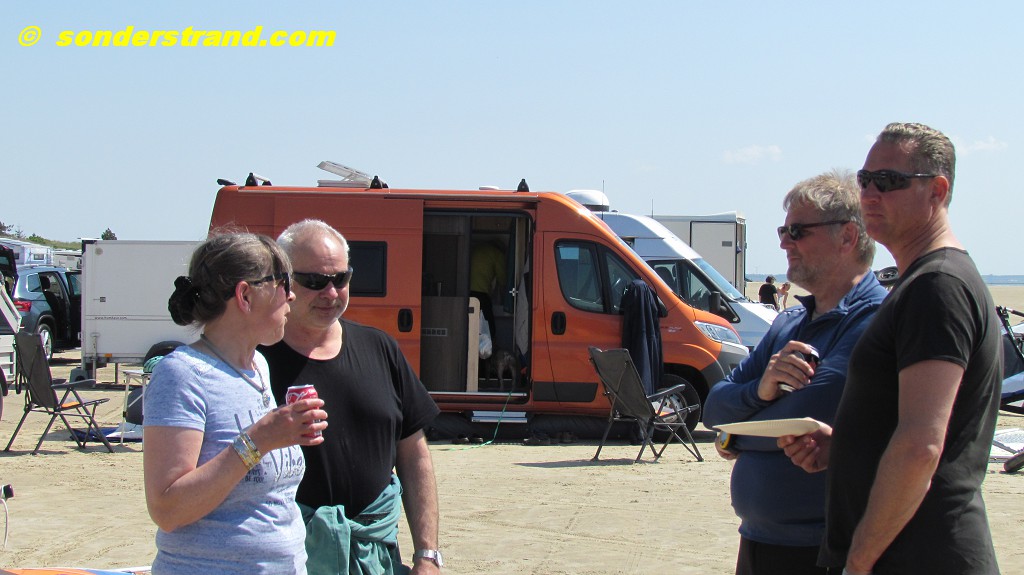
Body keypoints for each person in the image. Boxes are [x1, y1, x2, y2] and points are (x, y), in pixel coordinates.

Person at [781, 123, 1002, 574]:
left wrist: (859, 561)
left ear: (937, 191)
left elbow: (922, 445)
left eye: (889, 181)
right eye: (865, 180)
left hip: (917, 555)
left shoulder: (937, 286)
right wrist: (846, 446)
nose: (869, 194)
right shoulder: (922, 283)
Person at [703, 170, 887, 575]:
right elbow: (713, 408)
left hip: (825, 548)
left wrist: (734, 435)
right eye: (783, 231)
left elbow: (809, 415)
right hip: (759, 540)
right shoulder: (789, 322)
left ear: (847, 236)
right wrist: (761, 391)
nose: (785, 242)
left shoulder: (875, 319)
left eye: (798, 231)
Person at [261, 219, 443, 575]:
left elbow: (414, 454)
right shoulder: (254, 360)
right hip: (287, 558)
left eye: (340, 279)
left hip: (374, 557)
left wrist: (427, 554)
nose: (330, 293)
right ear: (283, 281)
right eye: (315, 282)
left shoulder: (379, 347)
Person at [144, 233, 328, 575]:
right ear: (245, 295)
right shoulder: (182, 374)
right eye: (283, 283)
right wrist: (258, 441)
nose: (292, 295)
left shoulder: (259, 365)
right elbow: (167, 509)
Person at [469, 240, 507, 341]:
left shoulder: (476, 249)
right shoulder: (498, 254)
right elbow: (502, 280)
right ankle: (489, 347)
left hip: (465, 292)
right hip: (481, 294)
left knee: (470, 323)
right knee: (488, 325)